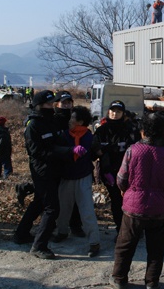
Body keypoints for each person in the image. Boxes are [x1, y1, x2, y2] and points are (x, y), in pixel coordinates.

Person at [110, 113, 164, 289]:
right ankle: (151, 282)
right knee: (156, 249)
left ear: (143, 132)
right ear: (162, 132)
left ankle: (119, 278)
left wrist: (127, 191)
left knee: (125, 244)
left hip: (134, 206)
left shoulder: (132, 150)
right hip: (160, 208)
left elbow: (121, 178)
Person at [14, 90, 73, 259]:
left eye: (52, 104)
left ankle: (21, 234)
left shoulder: (50, 121)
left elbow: (56, 141)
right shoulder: (33, 125)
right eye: (48, 104)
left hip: (53, 168)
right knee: (52, 208)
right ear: (39, 106)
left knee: (39, 202)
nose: (52, 107)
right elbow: (37, 152)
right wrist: (64, 152)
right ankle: (39, 246)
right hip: (43, 170)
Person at [54, 106, 101, 258]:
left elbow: (95, 155)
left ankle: (94, 242)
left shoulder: (90, 137)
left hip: (83, 177)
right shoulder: (63, 136)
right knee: (63, 208)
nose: (70, 121)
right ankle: (62, 232)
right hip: (66, 177)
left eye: (72, 118)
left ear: (80, 121)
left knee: (87, 210)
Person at [92, 100, 140, 238]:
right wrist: (110, 149)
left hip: (128, 172)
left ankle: (133, 229)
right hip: (109, 172)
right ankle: (121, 231)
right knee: (116, 201)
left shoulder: (130, 130)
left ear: (123, 114)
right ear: (108, 112)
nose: (114, 114)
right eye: (112, 111)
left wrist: (107, 149)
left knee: (130, 201)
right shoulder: (102, 130)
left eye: (118, 111)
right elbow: (95, 151)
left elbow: (135, 149)